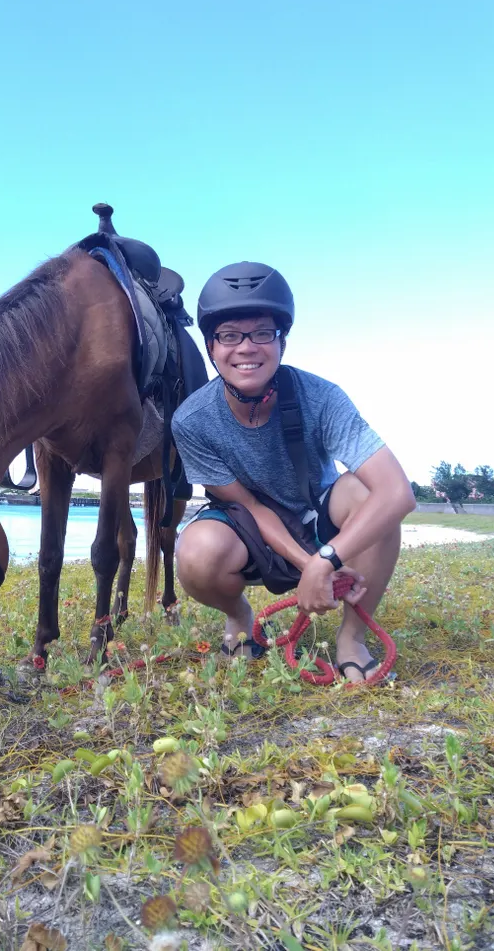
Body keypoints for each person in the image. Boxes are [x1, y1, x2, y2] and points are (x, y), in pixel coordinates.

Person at [171, 262, 415, 682]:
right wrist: (311, 566)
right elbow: (247, 505)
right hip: (247, 526)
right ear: (211, 347)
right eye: (229, 335)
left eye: (262, 332)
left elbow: (397, 492)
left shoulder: (321, 397)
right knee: (195, 551)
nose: (246, 347)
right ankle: (240, 616)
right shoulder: (190, 421)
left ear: (282, 341)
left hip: (316, 516)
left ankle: (351, 639)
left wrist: (326, 558)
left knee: (367, 495)